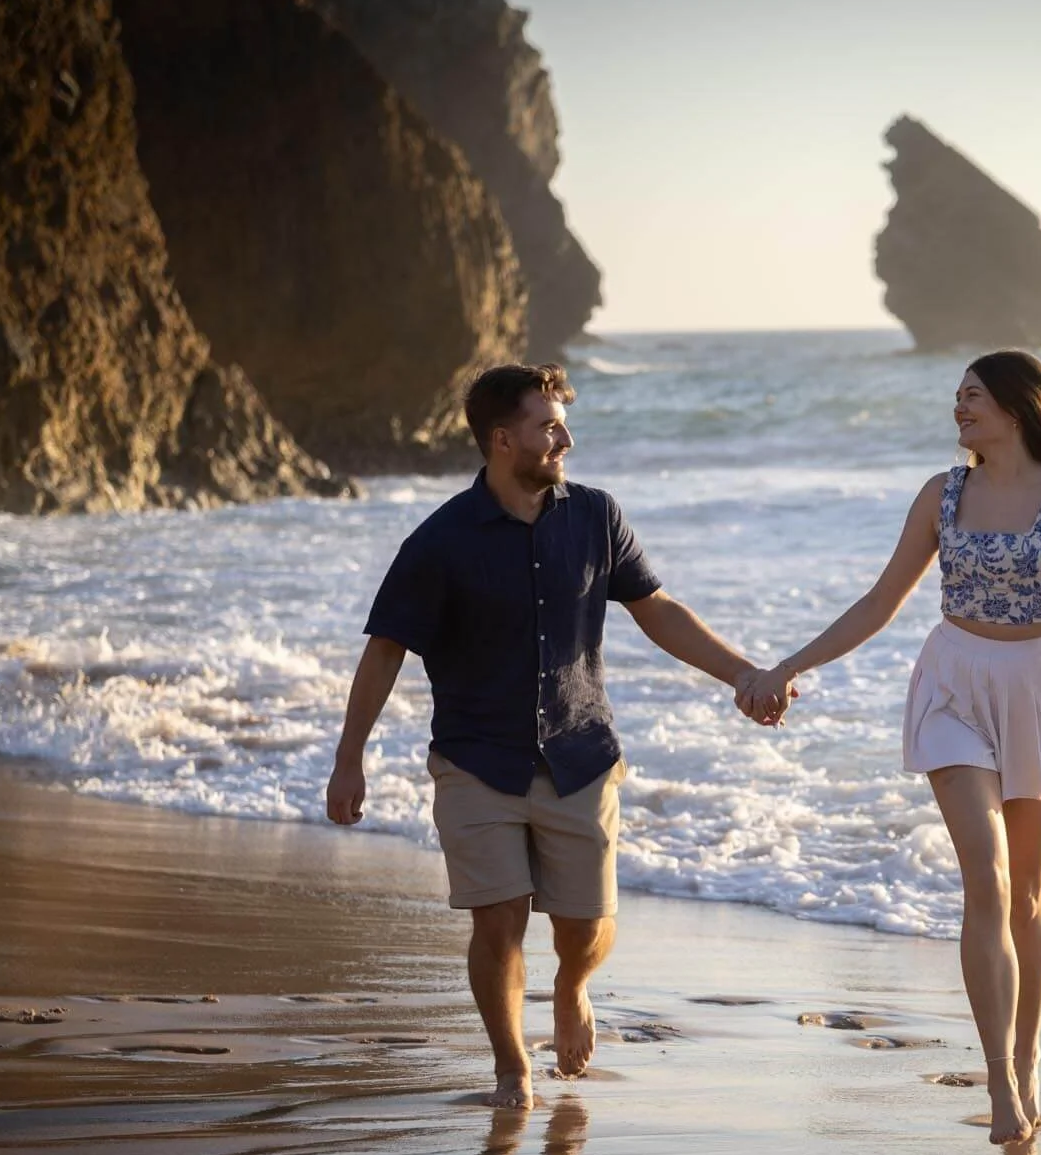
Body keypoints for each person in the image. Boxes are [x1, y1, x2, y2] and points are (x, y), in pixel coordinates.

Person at [326, 363, 787, 1110]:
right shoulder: (439, 540)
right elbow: (385, 649)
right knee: (499, 918)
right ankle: (512, 1065)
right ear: (502, 440)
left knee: (586, 927)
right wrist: (350, 760)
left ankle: (572, 987)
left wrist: (743, 674)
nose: (564, 438)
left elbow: (658, 610)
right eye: (548, 426)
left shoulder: (596, 516)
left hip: (580, 754)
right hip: (476, 760)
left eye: (562, 422)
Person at [739, 349, 1041, 1143]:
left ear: (1021, 406)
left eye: (974, 396)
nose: (959, 408)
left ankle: (1028, 1058)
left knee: (1028, 893)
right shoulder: (943, 492)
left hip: (1040, 685)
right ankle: (999, 1082)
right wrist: (791, 665)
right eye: (957, 396)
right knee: (987, 881)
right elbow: (881, 600)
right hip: (954, 683)